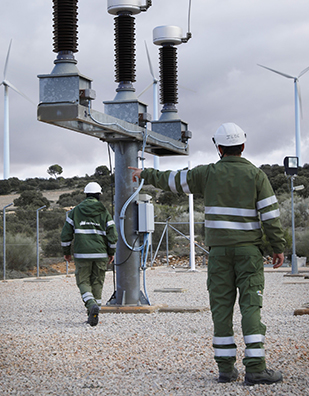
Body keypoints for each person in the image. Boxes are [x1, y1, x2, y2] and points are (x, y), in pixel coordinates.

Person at [128, 123, 286, 385]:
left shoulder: (208, 174)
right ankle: (256, 368)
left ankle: (226, 369)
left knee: (221, 309)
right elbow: (270, 216)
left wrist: (146, 173)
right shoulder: (257, 176)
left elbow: (175, 180)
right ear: (243, 146)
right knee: (250, 307)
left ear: (219, 147)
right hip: (249, 252)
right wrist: (278, 247)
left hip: (219, 253)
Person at [61, 182, 118, 326]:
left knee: (83, 281)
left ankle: (90, 305)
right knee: (97, 282)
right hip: (100, 254)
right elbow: (113, 235)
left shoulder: (75, 211)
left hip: (82, 254)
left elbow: (66, 234)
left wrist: (66, 252)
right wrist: (111, 253)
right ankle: (94, 311)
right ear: (99, 195)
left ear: (86, 194)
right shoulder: (104, 211)